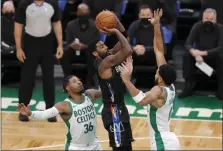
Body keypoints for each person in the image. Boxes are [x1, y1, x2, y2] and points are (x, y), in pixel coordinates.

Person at [118, 9, 180, 150]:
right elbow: (159, 50)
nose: (156, 71)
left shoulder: (158, 90)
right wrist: (156, 26)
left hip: (161, 141)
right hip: (170, 139)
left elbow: (141, 101)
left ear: (161, 78)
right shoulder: (170, 86)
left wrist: (127, 80)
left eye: (158, 71)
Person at [18, 75, 102, 150]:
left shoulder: (90, 94)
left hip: (94, 145)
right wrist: (30, 113)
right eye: (74, 81)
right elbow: (44, 114)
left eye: (79, 80)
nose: (79, 82)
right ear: (68, 88)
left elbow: (106, 92)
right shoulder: (64, 106)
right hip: (76, 148)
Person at [14, 0, 64, 122]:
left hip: (47, 43)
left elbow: (57, 23)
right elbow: (18, 26)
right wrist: (19, 48)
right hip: (30, 43)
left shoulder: (52, 3)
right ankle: (23, 109)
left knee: (49, 78)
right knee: (27, 78)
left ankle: (50, 110)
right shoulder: (24, 4)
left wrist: (60, 45)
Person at [92, 15, 134, 151]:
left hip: (120, 107)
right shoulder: (104, 64)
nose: (103, 45)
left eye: (103, 43)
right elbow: (127, 50)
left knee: (127, 147)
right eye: (99, 46)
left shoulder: (109, 54)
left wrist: (115, 20)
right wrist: (115, 31)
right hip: (113, 111)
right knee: (120, 148)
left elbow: (126, 39)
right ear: (95, 53)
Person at [179, 8, 223, 100]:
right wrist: (195, 53)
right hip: (198, 59)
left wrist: (203, 53)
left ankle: (221, 89)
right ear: (202, 19)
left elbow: (220, 48)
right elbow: (187, 44)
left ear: (215, 20)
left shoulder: (220, 28)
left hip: (214, 58)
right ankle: (188, 87)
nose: (209, 21)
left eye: (211, 19)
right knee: (187, 55)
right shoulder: (197, 26)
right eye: (206, 18)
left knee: (221, 56)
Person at [60, 3, 100, 89]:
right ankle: (69, 82)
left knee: (93, 52)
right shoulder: (71, 25)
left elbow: (96, 42)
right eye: (81, 12)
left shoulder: (95, 26)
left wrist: (84, 46)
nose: (83, 15)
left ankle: (89, 83)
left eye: (85, 12)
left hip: (88, 52)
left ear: (89, 13)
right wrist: (72, 45)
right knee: (64, 53)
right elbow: (68, 42)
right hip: (74, 52)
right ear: (77, 13)